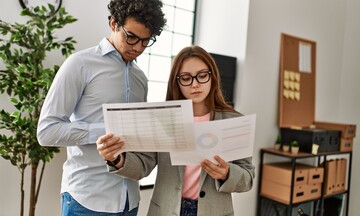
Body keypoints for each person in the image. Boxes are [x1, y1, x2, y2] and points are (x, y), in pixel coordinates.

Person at [37, 0, 166, 216]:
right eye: (132, 37)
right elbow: (47, 131)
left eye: (146, 41)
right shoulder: (79, 64)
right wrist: (105, 131)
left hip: (130, 201)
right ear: (114, 23)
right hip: (86, 200)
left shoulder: (141, 79)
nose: (138, 48)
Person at [97, 45, 255, 216]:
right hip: (166, 209)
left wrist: (227, 173)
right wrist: (115, 158)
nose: (195, 84)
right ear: (177, 82)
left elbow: (248, 179)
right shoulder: (163, 118)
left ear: (213, 77)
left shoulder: (234, 120)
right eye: (186, 78)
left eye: (202, 76)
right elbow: (143, 166)